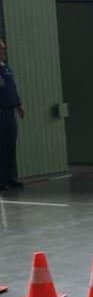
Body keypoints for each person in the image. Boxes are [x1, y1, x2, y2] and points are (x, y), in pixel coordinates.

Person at [0, 38, 25, 191]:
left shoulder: (7, 69)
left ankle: (8, 178)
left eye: (3, 48)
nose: (4, 51)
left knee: (10, 147)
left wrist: (19, 105)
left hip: (10, 113)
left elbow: (12, 88)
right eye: (1, 48)